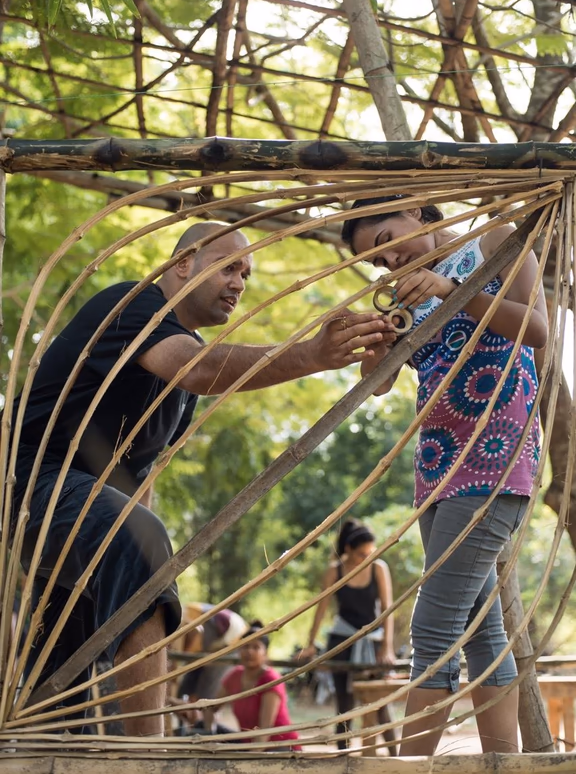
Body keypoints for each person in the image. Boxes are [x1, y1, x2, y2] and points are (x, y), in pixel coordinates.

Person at [11, 221, 396, 737]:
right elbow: (194, 368)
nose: (240, 281)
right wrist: (309, 355)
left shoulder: (181, 377)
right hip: (30, 482)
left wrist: (145, 565)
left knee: (58, 687)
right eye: (229, 265)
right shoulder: (133, 305)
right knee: (142, 542)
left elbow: (138, 475)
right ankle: (149, 759)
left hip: (84, 516)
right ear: (181, 264)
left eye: (247, 273)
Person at [341, 195, 547, 755]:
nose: (390, 263)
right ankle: (507, 763)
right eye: (378, 264)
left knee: (432, 633)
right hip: (437, 468)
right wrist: (375, 343)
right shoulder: (409, 296)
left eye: (386, 242)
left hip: (494, 462)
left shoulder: (493, 239)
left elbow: (538, 328)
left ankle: (407, 768)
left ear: (414, 211)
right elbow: (378, 383)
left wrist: (449, 292)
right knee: (481, 632)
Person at [301, 518, 397, 753]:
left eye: (370, 553)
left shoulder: (378, 568)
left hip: (372, 642)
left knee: (380, 703)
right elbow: (321, 609)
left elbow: (387, 610)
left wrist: (387, 647)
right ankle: (342, 756)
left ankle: (397, 754)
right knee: (344, 705)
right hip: (342, 641)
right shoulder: (335, 571)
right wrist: (311, 644)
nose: (366, 558)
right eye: (361, 554)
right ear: (348, 550)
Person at [204, 621, 301, 749]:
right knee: (199, 728)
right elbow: (211, 708)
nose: (249, 651)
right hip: (248, 744)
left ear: (265, 653)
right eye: (246, 646)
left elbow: (265, 730)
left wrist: (250, 760)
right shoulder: (235, 675)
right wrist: (208, 731)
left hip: (278, 746)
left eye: (256, 647)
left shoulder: (271, 680)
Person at [169, 603, 247, 734]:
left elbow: (178, 661)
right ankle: (184, 727)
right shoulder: (181, 618)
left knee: (205, 693)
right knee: (185, 688)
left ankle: (204, 731)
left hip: (230, 645)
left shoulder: (196, 624)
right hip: (209, 647)